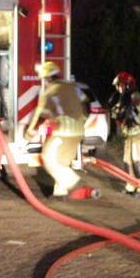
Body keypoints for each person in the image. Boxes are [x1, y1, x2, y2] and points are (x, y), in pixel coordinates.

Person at [24, 60, 88, 198]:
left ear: (47, 78)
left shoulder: (48, 91)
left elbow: (40, 113)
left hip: (63, 131)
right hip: (79, 132)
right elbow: (85, 103)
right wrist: (83, 119)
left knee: (48, 157)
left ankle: (73, 181)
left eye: (43, 78)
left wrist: (30, 131)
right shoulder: (73, 86)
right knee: (63, 161)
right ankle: (60, 192)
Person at [107, 71, 140, 195]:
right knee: (127, 161)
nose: (119, 88)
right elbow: (116, 113)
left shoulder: (135, 96)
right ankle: (131, 185)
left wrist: (134, 119)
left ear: (128, 84)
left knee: (139, 160)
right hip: (129, 135)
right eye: (118, 85)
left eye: (121, 85)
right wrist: (117, 113)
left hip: (139, 134)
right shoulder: (123, 99)